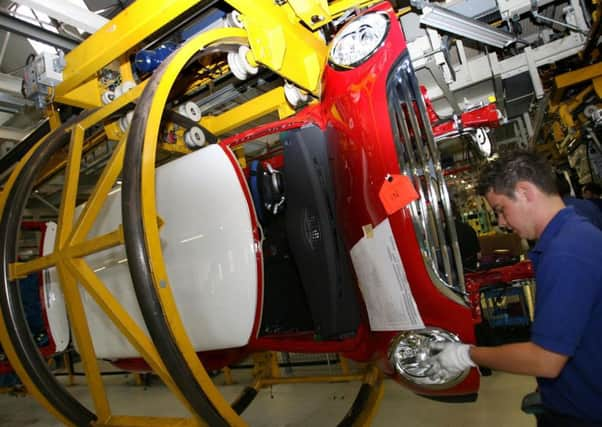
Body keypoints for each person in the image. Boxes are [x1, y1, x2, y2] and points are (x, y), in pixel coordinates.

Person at [428, 151, 602, 426]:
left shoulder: (567, 253)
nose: (501, 223)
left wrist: (466, 355)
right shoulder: (574, 234)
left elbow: (546, 359)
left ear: (525, 191)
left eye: (500, 209)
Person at [451, 201, 481, 271]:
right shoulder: (468, 228)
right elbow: (479, 255)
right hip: (472, 268)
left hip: (460, 270)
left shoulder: (447, 231)